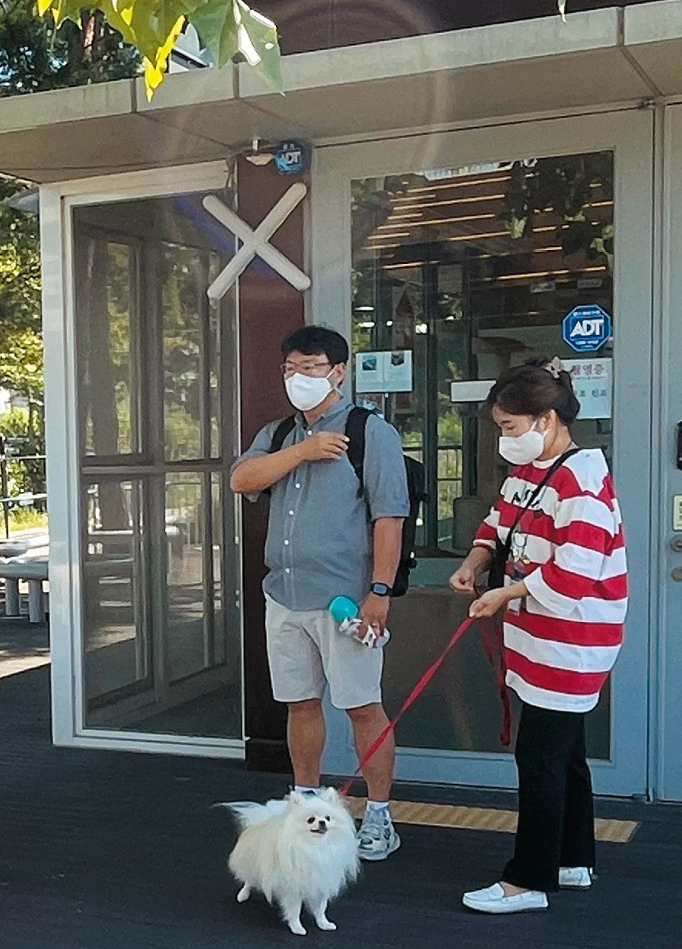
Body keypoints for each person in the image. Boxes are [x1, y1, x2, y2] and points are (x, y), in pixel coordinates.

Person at [447, 362, 628, 914]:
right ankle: (573, 858)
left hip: (570, 639)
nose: (505, 439)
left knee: (540, 756)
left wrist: (503, 594)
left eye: (508, 426)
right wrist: (477, 563)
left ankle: (528, 879)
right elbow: (496, 526)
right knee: (565, 750)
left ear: (546, 420)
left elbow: (574, 573)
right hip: (539, 633)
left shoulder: (583, 480)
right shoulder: (533, 472)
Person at [229, 325, 412, 861]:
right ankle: (305, 802)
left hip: (346, 600)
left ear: (338, 371)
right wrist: (303, 451)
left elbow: (389, 518)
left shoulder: (370, 432)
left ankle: (378, 814)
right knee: (299, 704)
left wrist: (379, 592)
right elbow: (242, 479)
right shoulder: (281, 433)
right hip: (284, 594)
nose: (297, 378)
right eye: (289, 368)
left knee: (361, 706)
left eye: (309, 367)